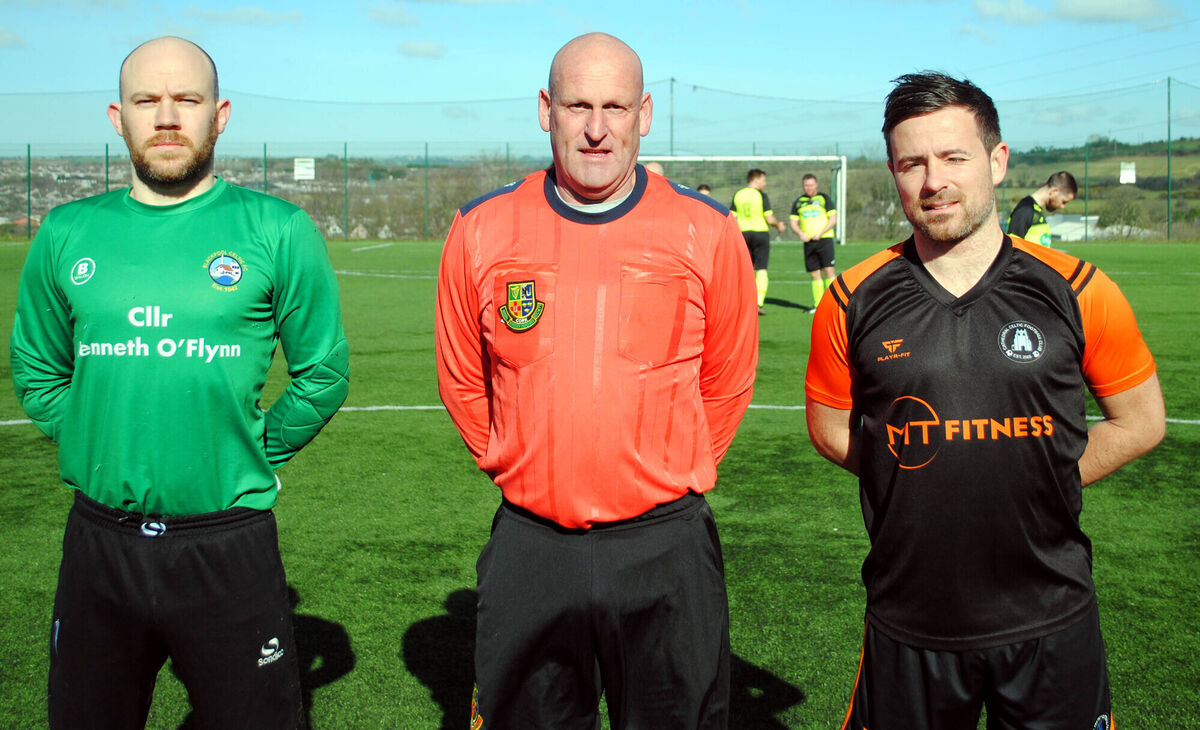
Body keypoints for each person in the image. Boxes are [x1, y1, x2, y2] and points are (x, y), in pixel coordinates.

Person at [805, 72, 1164, 730]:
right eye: (912, 162)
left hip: (1052, 618)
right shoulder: (850, 299)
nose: (933, 180)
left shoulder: (1079, 289)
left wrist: (1034, 473)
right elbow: (830, 429)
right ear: (893, 171)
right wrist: (917, 469)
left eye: (953, 157)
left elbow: (1142, 423)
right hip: (909, 621)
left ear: (997, 163)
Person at [10, 37, 349, 729]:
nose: (167, 117)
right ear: (118, 117)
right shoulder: (68, 231)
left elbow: (324, 375)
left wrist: (253, 449)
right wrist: (94, 435)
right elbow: (39, 372)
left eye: (187, 100)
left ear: (219, 115)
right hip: (99, 547)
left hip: (229, 546)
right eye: (147, 101)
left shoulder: (277, 229)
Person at [435, 32, 757, 729]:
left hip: (666, 546)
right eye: (577, 104)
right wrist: (517, 461)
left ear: (643, 114)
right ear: (545, 109)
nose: (595, 127)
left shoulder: (707, 230)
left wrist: (658, 472)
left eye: (615, 106)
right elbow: (463, 378)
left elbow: (726, 383)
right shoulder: (482, 227)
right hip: (532, 544)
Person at [731, 169, 786, 314]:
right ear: (756, 180)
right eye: (763, 180)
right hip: (760, 234)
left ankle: (743, 301)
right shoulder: (761, 195)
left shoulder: (739, 194)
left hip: (743, 233)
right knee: (761, 268)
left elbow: (731, 216)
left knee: (745, 269)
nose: (765, 184)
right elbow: (769, 218)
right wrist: (778, 224)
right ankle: (758, 302)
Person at [789, 173, 838, 310]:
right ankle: (819, 305)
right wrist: (800, 233)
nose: (808, 188)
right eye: (806, 185)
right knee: (814, 273)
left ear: (816, 185)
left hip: (825, 240)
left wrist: (820, 233)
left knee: (829, 270)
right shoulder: (799, 202)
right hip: (809, 243)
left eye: (811, 185)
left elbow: (833, 219)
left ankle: (833, 304)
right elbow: (793, 222)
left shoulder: (824, 199)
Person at [1007, 170, 1077, 246]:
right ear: (1054, 191)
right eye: (1063, 201)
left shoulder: (1036, 210)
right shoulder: (1025, 210)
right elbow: (1013, 249)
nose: (1062, 206)